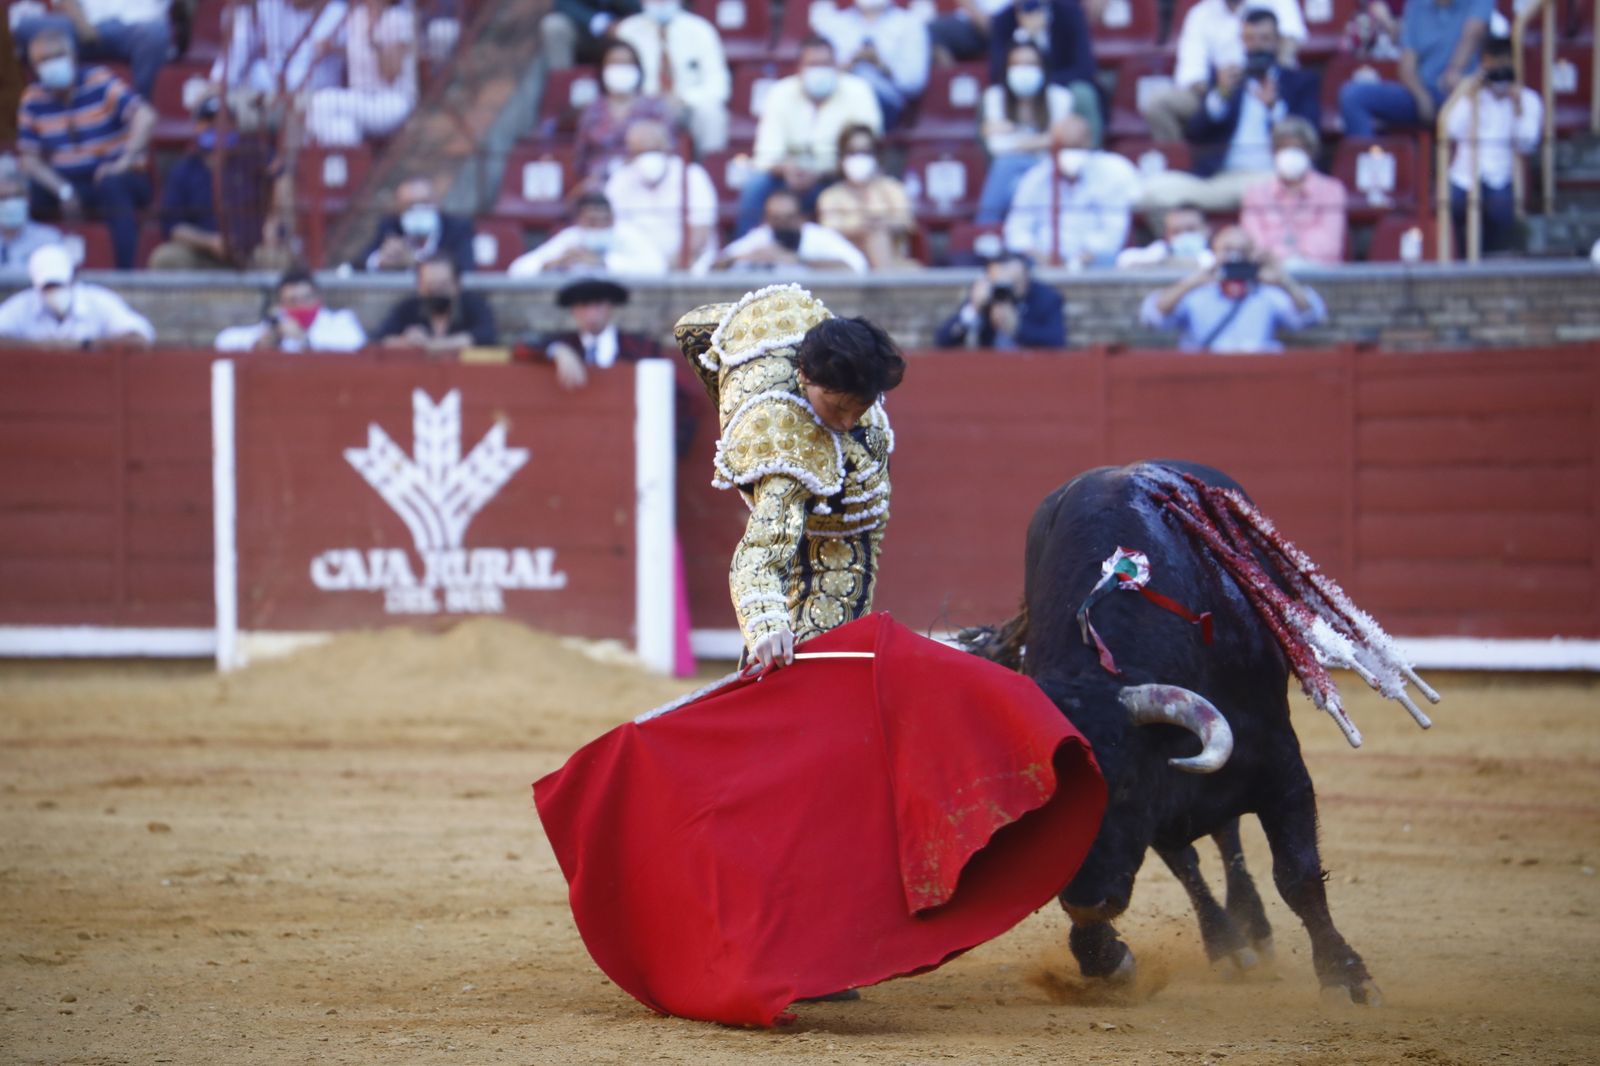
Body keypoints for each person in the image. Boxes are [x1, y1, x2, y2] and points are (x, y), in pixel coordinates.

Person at [672, 284, 906, 671]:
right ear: (804, 374)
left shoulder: (788, 329)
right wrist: (766, 623)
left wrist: (736, 414)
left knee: (816, 667)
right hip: (824, 524)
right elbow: (760, 553)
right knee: (802, 671)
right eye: (837, 406)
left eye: (860, 407)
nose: (849, 422)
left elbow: (694, 329)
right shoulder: (787, 446)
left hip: (842, 529)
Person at [1140, 9, 1320, 212]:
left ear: (1277, 41)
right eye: (1250, 39)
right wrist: (1220, 96)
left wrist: (1275, 108)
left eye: (1265, 38)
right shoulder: (1227, 80)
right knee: (1153, 192)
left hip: (1276, 177)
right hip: (1223, 179)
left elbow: (1309, 135)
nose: (1257, 45)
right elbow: (1196, 134)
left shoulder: (1299, 82)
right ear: (1241, 42)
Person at [16, 28, 156, 270]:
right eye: (43, 60)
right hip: (67, 181)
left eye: (57, 56)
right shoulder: (33, 99)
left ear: (72, 57)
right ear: (35, 67)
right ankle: (26, 270)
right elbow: (29, 159)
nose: (52, 64)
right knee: (21, 196)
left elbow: (146, 116)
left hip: (116, 172)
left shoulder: (98, 81)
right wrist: (62, 190)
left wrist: (123, 162)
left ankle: (127, 276)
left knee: (114, 188)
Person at [734, 35, 883, 238]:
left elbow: (867, 149)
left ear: (837, 66)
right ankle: (745, 251)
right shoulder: (780, 93)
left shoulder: (858, 91)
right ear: (799, 68)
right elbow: (766, 154)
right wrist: (788, 169)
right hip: (789, 178)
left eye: (826, 64)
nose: (820, 70)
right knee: (756, 185)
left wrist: (821, 173)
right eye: (813, 64)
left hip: (836, 177)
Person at [1139, 225, 1326, 353]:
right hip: (1205, 377)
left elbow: (1310, 317)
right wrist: (1193, 282)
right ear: (1214, 252)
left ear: (1252, 254)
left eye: (1242, 251)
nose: (1235, 256)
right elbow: (1154, 317)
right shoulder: (1196, 291)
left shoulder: (1266, 292)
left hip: (1257, 377)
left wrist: (1284, 281)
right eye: (1227, 250)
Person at [1141, 0, 1306, 142]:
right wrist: (1223, 90)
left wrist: (1264, 76)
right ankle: (1182, 167)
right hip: (1220, 88)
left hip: (1269, 84)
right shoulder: (1200, 15)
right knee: (1158, 105)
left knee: (1293, 99)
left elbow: (1288, 49)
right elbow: (1191, 75)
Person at [1442, 36, 1540, 256]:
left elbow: (1527, 143)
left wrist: (1517, 108)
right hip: (1463, 178)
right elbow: (1449, 129)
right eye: (1493, 67)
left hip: (1500, 179)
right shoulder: (1469, 96)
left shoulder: (1529, 99)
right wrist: (1468, 93)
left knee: (1499, 210)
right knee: (1451, 206)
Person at [1338, 0, 1491, 137]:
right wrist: (1421, 96)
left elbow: (1473, 35)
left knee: (1480, 105)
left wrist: (1453, 72)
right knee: (1352, 95)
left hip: (1463, 94)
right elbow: (1407, 64)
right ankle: (1368, 162)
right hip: (1424, 92)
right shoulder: (1417, 5)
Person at [1003, 114, 1140, 267]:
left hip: (1096, 265)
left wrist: (1080, 260)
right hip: (1042, 263)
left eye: (1075, 147)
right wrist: (1039, 256)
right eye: (1064, 147)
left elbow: (1113, 231)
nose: (1070, 154)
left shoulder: (1113, 172)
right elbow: (1016, 230)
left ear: (1088, 143)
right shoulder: (1035, 178)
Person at [977, 41, 1081, 224]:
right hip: (1013, 175)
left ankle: (984, 229)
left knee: (1009, 166)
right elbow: (997, 147)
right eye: (1017, 65)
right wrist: (1043, 140)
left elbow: (1063, 139)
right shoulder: (994, 96)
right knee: (1013, 180)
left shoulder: (1061, 97)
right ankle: (990, 229)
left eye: (1031, 64)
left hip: (1049, 171)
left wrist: (1012, 132)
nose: (1024, 70)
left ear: (1043, 68)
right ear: (1007, 69)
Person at [613, 0, 731, 153]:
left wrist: (682, 98)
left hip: (685, 105)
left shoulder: (700, 30)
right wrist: (648, 102)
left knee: (712, 114)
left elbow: (719, 86)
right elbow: (618, 79)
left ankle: (709, 170)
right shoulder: (628, 30)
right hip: (641, 106)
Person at [211, 0, 348, 130]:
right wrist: (219, 81)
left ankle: (233, 109)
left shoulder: (338, 11)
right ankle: (227, 107)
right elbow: (241, 46)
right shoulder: (269, 6)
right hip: (265, 92)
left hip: (311, 100)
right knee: (198, 92)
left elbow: (327, 51)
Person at [602, 119, 717, 271]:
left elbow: (700, 233)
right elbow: (610, 229)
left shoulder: (692, 175)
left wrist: (670, 266)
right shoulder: (620, 178)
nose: (647, 158)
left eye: (653, 150)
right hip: (634, 264)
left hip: (685, 263)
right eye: (639, 152)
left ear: (667, 148)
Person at [984, 0, 1101, 145]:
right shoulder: (1003, 19)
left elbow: (1085, 69)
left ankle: (1089, 154)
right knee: (989, 98)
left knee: (1083, 93)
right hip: (1017, 93)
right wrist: (1025, 36)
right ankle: (995, 161)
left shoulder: (1070, 13)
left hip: (1059, 86)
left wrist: (1041, 81)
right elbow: (997, 73)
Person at [307, 0, 419, 147]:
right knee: (340, 129)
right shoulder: (356, 17)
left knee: (320, 101)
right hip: (360, 97)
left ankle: (351, 155)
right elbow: (358, 52)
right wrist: (333, 48)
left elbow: (391, 74)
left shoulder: (399, 19)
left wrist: (374, 40)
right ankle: (353, 160)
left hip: (391, 101)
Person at [1239, 116, 1348, 266]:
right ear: (1274, 153)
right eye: (1283, 148)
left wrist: (1292, 257)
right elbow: (1254, 244)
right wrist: (1284, 259)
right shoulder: (1255, 193)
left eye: (1296, 148)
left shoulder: (1332, 190)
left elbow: (1329, 245)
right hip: (1270, 275)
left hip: (1318, 275)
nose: (1290, 154)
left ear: (1310, 152)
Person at [12, 0, 173, 101]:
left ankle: (138, 106)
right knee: (27, 27)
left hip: (135, 28)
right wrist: (83, 24)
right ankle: (50, 104)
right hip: (83, 27)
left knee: (155, 33)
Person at [0, 243, 154, 347]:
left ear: (73, 278)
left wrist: (85, 345)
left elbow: (140, 337)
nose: (55, 291)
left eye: (60, 284)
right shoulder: (23, 305)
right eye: (48, 286)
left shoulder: (99, 301)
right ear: (36, 287)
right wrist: (38, 347)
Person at [810, 0, 930, 130]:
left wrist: (881, 65)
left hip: (885, 103)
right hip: (838, 97)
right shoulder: (834, 24)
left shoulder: (910, 24)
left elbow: (914, 83)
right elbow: (818, 78)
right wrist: (851, 63)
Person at [531, 277, 667, 390]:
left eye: (598, 305)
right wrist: (557, 350)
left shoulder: (640, 348)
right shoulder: (566, 344)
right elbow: (522, 350)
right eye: (584, 305)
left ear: (610, 307)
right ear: (574, 310)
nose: (591, 314)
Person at [576, 39, 676, 185]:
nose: (620, 68)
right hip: (600, 189)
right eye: (614, 63)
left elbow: (669, 151)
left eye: (626, 63)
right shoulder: (592, 111)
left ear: (638, 68)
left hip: (645, 184)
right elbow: (580, 159)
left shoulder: (655, 108)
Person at [816, 125, 917, 270]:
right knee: (872, 234)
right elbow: (829, 231)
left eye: (865, 152)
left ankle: (883, 277)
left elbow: (905, 221)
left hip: (892, 259)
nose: (859, 158)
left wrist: (881, 223)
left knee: (878, 235)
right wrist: (862, 227)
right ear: (841, 157)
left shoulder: (892, 188)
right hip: (846, 265)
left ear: (876, 156)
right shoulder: (830, 196)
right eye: (852, 152)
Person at [149, 94, 231, 271]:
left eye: (223, 122)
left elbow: (279, 193)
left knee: (280, 259)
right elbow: (172, 226)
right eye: (209, 122)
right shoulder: (184, 170)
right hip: (200, 252)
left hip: (248, 250)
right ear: (197, 127)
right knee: (165, 258)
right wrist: (210, 243)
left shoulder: (254, 161)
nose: (216, 128)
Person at [507, 192, 669, 276]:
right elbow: (517, 270)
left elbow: (657, 268)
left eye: (604, 221)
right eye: (592, 222)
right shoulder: (571, 238)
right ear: (579, 221)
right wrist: (553, 263)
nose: (598, 227)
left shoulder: (626, 235)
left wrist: (603, 263)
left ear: (612, 220)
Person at [713, 187, 868, 274]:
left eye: (788, 218)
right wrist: (745, 257)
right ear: (767, 220)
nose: (783, 224)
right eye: (776, 219)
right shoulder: (761, 237)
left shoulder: (819, 237)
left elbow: (857, 267)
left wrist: (797, 260)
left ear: (801, 218)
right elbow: (713, 266)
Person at [214, 266, 368, 352]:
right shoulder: (277, 325)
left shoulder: (340, 320)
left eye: (306, 298)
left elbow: (355, 341)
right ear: (282, 304)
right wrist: (259, 342)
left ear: (318, 298)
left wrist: (305, 340)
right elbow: (223, 340)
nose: (300, 305)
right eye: (292, 301)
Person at [934, 251, 1066, 348]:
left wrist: (1017, 328)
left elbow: (1056, 341)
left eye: (1016, 281)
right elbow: (943, 341)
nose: (1009, 289)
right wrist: (973, 309)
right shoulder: (987, 293)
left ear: (1026, 277)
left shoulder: (1045, 297)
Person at [375, 255, 497, 354]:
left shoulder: (473, 305)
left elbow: (486, 336)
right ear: (420, 287)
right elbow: (379, 340)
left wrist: (433, 345)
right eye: (430, 288)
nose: (436, 293)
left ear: (457, 284)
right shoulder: (408, 308)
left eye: (442, 286)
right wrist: (405, 340)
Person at [359, 176, 477, 275]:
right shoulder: (390, 227)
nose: (418, 209)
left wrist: (415, 261)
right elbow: (359, 262)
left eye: (425, 202)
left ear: (437, 202)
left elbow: (466, 268)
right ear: (398, 208)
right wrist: (380, 260)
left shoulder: (458, 228)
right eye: (410, 205)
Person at [0, 153, 64, 270]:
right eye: (4, 197)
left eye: (16, 196)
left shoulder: (48, 241)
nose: (10, 203)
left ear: (28, 199)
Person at [539, 0, 641, 70]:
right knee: (554, 25)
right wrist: (599, 23)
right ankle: (561, 86)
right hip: (583, 30)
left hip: (620, 31)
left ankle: (646, 91)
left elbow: (636, 8)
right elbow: (562, 4)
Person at [1115, 205, 1215, 269]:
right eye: (1176, 232)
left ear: (1207, 230)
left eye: (1191, 229)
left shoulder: (1216, 252)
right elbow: (1125, 259)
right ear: (1167, 235)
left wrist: (1165, 262)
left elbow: (1211, 263)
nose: (1184, 236)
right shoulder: (1160, 250)